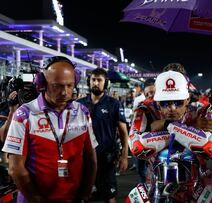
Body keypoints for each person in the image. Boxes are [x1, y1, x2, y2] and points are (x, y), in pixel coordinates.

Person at [2, 56, 98, 202]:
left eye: (69, 85)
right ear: (42, 84)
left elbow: (91, 159)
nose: (65, 92)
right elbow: (15, 168)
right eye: (57, 86)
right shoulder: (24, 114)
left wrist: (84, 194)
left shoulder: (82, 112)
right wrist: (37, 199)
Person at [126, 70, 212, 202]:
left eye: (178, 102)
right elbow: (137, 147)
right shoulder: (145, 109)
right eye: (165, 103)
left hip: (196, 188)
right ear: (157, 101)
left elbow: (209, 148)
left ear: (187, 99)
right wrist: (187, 129)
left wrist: (167, 126)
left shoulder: (205, 110)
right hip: (155, 189)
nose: (172, 108)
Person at [77, 68, 128, 203]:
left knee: (109, 196)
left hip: (106, 158)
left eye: (99, 80)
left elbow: (123, 132)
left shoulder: (114, 104)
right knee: (83, 196)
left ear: (105, 83)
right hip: (84, 159)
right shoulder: (79, 104)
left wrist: (124, 156)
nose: (96, 83)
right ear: (89, 81)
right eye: (93, 79)